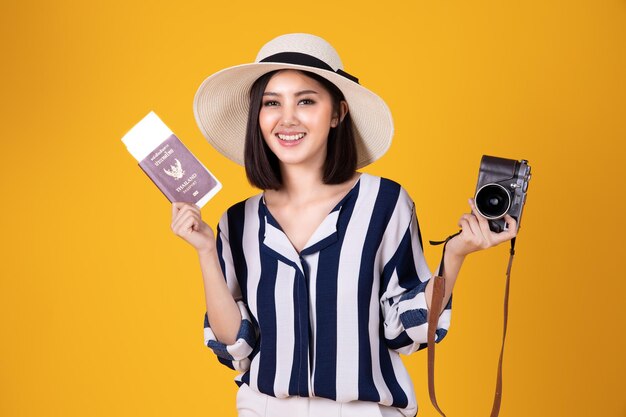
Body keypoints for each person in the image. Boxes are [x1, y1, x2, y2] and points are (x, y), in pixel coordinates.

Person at [170, 33, 517, 417]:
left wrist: (454, 256)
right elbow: (236, 345)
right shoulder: (238, 221)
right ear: (258, 117)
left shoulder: (384, 203)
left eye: (306, 100)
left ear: (337, 113)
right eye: (272, 103)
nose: (287, 118)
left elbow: (406, 332)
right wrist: (205, 250)